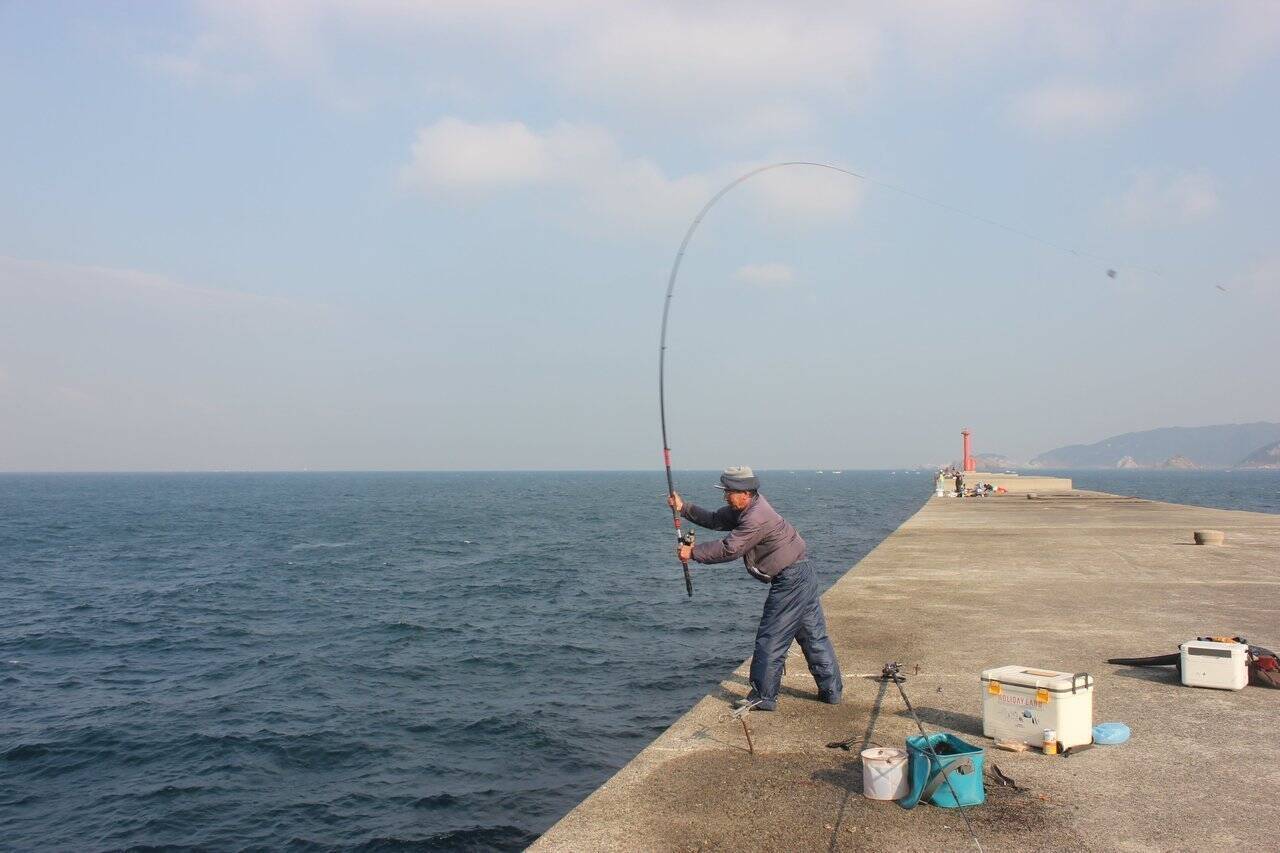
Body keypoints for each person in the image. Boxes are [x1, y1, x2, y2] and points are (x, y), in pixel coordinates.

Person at [667, 466, 843, 712]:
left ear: (745, 493)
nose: (725, 496)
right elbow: (717, 520)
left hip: (791, 579)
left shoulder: (755, 517)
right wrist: (683, 508)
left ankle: (763, 696)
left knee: (771, 637)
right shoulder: (749, 508)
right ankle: (831, 692)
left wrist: (693, 552)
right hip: (802, 574)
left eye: (728, 492)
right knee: (813, 636)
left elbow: (730, 549)